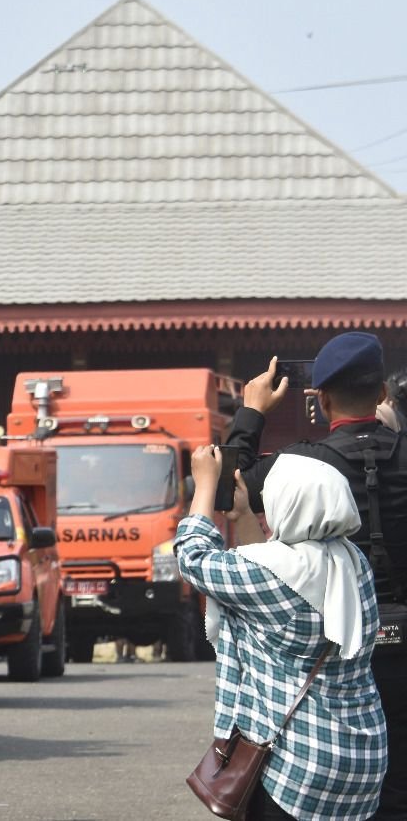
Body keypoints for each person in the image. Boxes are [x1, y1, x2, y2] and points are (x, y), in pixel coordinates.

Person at [233, 334, 407, 817]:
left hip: (332, 647)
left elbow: (229, 485)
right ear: (382, 394)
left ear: (322, 400)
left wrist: (252, 413)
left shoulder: (301, 464)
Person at [177, 444, 386, 820]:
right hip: (361, 759)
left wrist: (205, 486)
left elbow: (192, 558)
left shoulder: (270, 577)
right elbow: (277, 575)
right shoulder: (354, 565)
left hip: (295, 765)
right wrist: (244, 516)